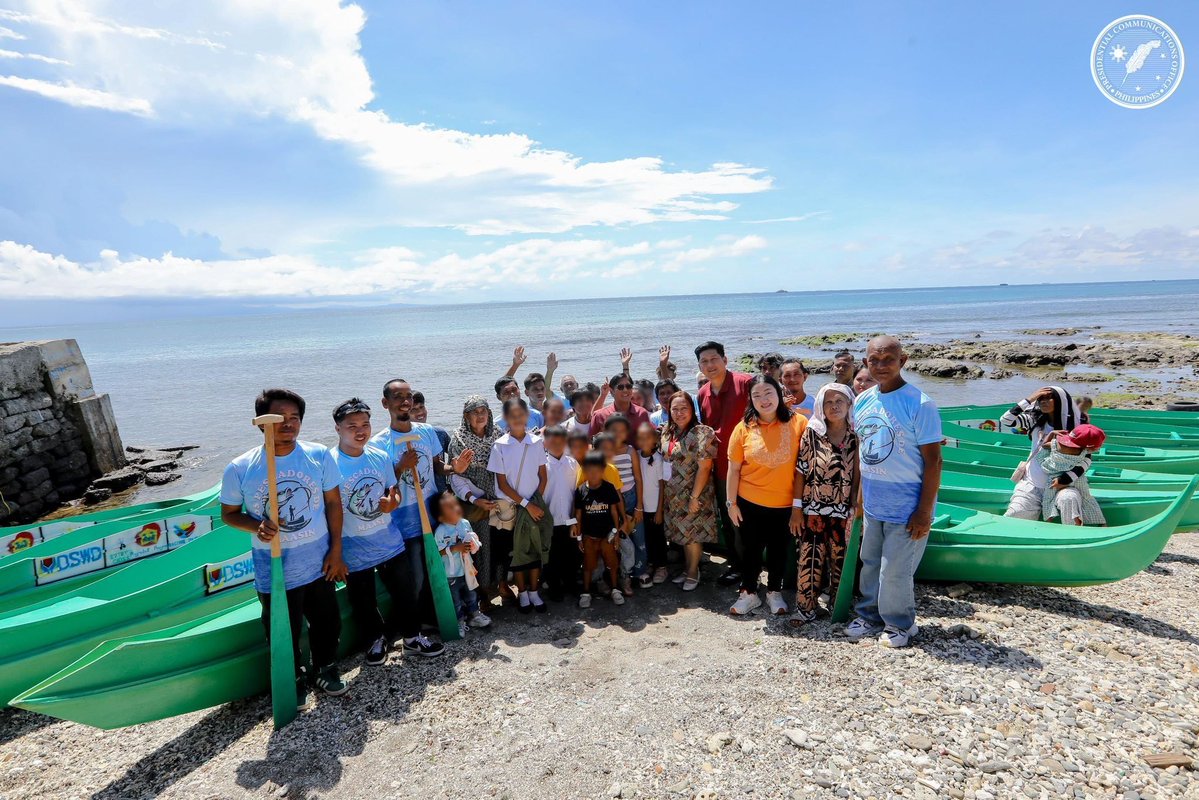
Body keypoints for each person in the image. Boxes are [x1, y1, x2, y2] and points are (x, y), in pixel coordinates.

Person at [220, 388, 349, 701]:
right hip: (274, 566)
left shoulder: (317, 455)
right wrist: (257, 525)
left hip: (318, 562)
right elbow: (229, 514)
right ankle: (292, 677)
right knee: (283, 629)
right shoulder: (240, 468)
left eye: (295, 418)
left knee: (326, 621)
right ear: (262, 423)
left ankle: (325, 668)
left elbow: (333, 503)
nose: (288, 424)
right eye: (279, 418)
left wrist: (336, 551)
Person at [847, 336, 942, 649]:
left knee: (895, 572)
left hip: (908, 505)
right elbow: (863, 452)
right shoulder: (863, 400)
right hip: (874, 502)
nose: (880, 366)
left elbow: (933, 461)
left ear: (903, 361)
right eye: (873, 360)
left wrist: (924, 512)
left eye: (888, 359)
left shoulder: (920, 404)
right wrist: (859, 497)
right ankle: (869, 615)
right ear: (865, 363)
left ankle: (900, 624)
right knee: (871, 562)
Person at [370, 379, 469, 653]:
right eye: (398, 396)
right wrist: (400, 467)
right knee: (413, 582)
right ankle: (402, 633)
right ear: (385, 403)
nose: (405, 401)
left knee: (436, 573)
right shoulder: (378, 444)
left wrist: (453, 468)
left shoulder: (426, 432)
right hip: (403, 525)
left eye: (409, 396)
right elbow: (381, 487)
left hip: (433, 517)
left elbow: (438, 467)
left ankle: (431, 621)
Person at [329, 398, 426, 667]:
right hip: (353, 547)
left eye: (365, 424)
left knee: (405, 591)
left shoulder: (379, 456)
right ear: (338, 429)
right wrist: (335, 550)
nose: (360, 431)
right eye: (352, 426)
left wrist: (392, 502)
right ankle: (375, 640)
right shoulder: (329, 463)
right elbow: (329, 508)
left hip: (388, 540)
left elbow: (391, 489)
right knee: (362, 600)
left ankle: (413, 637)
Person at [725, 375, 807, 616]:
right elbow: (734, 468)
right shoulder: (743, 428)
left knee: (779, 549)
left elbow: (805, 467)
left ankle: (774, 591)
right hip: (750, 502)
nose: (764, 400)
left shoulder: (799, 423)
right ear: (750, 400)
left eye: (768, 393)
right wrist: (731, 503)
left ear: (779, 394)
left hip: (785, 504)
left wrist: (798, 506)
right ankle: (748, 592)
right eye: (757, 395)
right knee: (750, 549)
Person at [789, 384, 859, 626]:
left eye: (840, 401)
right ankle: (806, 609)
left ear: (850, 404)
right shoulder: (812, 432)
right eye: (828, 402)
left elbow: (859, 471)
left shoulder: (856, 433)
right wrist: (796, 509)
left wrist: (855, 504)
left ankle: (837, 609)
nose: (834, 406)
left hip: (844, 510)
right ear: (820, 406)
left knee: (840, 560)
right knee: (808, 559)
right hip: (812, 510)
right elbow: (800, 471)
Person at [695, 340, 753, 586]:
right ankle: (738, 566)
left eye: (713, 359)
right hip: (720, 468)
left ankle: (751, 567)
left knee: (750, 520)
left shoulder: (745, 383)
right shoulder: (702, 393)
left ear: (725, 360)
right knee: (729, 520)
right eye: (704, 362)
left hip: (750, 467)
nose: (710, 365)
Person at [487, 398, 552, 613]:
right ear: (506, 418)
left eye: (521, 414)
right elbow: (502, 483)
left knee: (533, 548)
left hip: (532, 503)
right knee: (515, 552)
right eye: (512, 415)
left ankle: (534, 591)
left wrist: (535, 502)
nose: (517, 418)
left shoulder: (536, 442)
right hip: (510, 508)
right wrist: (526, 505)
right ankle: (522, 592)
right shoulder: (499, 446)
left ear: (526, 416)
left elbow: (543, 476)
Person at [447, 395, 505, 605]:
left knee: (499, 546)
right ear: (466, 416)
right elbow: (455, 477)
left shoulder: (498, 435)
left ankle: (500, 587)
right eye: (475, 412)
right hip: (474, 504)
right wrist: (474, 499)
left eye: (484, 411)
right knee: (478, 549)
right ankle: (482, 596)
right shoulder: (458, 441)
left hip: (499, 500)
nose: (480, 416)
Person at [1001, 386, 1087, 521]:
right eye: (1040, 399)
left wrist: (1065, 479)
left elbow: (1086, 459)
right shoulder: (1034, 421)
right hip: (1031, 486)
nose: (1043, 402)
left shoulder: (1074, 426)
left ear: (1060, 401)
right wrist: (1030, 399)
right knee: (1014, 515)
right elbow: (1005, 420)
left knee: (1069, 499)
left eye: (1049, 398)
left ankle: (1071, 538)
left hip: (1062, 486)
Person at [661, 390, 718, 591]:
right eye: (674, 409)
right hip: (673, 494)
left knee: (692, 534)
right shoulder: (669, 432)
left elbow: (705, 467)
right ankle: (687, 568)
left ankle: (694, 572)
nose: (679, 413)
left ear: (692, 410)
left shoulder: (702, 432)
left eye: (683, 408)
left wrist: (694, 497)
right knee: (682, 534)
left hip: (694, 493)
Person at [431, 490, 491, 637]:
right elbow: (437, 552)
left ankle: (474, 615)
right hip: (451, 573)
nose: (456, 509)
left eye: (455, 504)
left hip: (466, 568)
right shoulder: (440, 531)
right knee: (455, 599)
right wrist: (454, 548)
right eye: (450, 507)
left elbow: (473, 540)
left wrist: (472, 544)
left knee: (471, 593)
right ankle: (458, 622)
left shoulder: (465, 523)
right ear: (441, 517)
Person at [573, 451, 625, 608]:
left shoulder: (609, 488)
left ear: (603, 470)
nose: (593, 474)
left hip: (607, 535)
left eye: (597, 471)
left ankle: (615, 589)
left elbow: (614, 511)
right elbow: (578, 515)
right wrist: (579, 537)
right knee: (588, 565)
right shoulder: (581, 490)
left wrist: (616, 533)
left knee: (612, 563)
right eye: (589, 470)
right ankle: (586, 592)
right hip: (589, 536)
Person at [604, 414, 645, 595]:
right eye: (613, 430)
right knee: (616, 541)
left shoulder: (630, 451)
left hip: (631, 500)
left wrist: (639, 506)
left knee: (637, 539)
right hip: (611, 502)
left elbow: (638, 478)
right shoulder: (603, 452)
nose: (617, 433)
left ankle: (637, 573)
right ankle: (617, 576)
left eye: (621, 430)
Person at [542, 424, 582, 600]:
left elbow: (577, 492)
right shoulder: (542, 465)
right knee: (552, 557)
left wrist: (575, 518)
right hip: (549, 520)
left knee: (571, 555)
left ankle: (572, 584)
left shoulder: (573, 464)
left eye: (561, 441)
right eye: (553, 441)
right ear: (546, 443)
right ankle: (554, 587)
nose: (557, 444)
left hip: (568, 519)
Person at [1038, 424, 1107, 526]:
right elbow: (1079, 470)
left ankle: (1048, 521)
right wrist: (1062, 481)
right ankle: (1101, 523)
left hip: (1053, 479)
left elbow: (1044, 445)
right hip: (1077, 481)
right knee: (1087, 498)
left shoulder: (1056, 444)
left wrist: (1051, 434)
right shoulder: (1085, 454)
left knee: (1048, 500)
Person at [635, 422, 669, 586]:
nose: (643, 440)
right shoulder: (635, 456)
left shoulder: (657, 460)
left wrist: (659, 511)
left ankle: (661, 566)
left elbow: (662, 486)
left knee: (658, 539)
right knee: (647, 538)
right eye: (640, 437)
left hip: (655, 508)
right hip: (641, 508)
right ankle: (650, 564)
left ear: (655, 440)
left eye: (647, 437)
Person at [411, 391, 451, 493]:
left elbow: (454, 455)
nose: (420, 412)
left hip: (442, 494)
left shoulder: (440, 434)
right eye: (413, 410)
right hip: (418, 496)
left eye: (421, 407)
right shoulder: (404, 440)